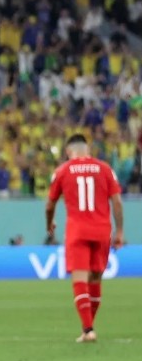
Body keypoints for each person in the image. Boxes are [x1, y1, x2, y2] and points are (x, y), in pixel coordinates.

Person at [46, 133, 124, 343]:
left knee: (80, 280)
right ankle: (88, 328)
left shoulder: (63, 170)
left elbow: (50, 204)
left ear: (68, 151)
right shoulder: (105, 169)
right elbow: (117, 202)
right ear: (87, 150)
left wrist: (49, 223)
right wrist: (120, 232)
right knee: (95, 279)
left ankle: (88, 329)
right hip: (102, 230)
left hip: (77, 231)